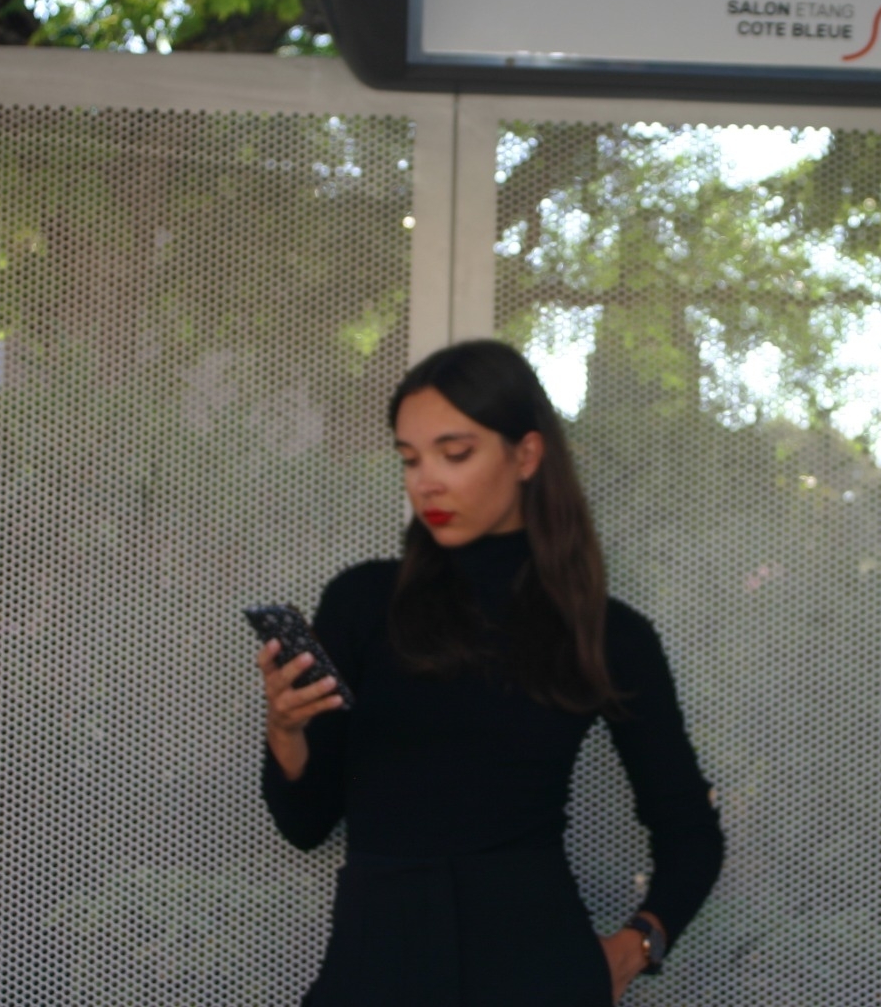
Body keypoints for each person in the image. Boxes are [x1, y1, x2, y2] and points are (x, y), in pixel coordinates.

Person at [256, 339, 725, 1005]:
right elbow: (305, 826)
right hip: (373, 975)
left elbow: (690, 833)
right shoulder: (362, 602)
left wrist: (634, 949)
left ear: (526, 455)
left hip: (539, 977)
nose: (426, 481)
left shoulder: (606, 633)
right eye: (410, 458)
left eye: (455, 453)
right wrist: (286, 732)